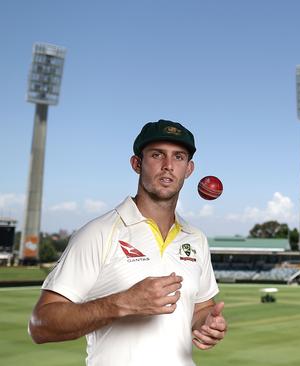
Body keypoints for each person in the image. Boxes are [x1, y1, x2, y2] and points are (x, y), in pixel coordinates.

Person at [29, 119, 227, 365]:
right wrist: (121, 303)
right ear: (137, 163)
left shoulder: (195, 238)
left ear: (189, 169)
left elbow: (200, 307)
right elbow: (40, 325)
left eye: (178, 157)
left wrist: (205, 323)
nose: (168, 166)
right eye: (157, 155)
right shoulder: (98, 233)